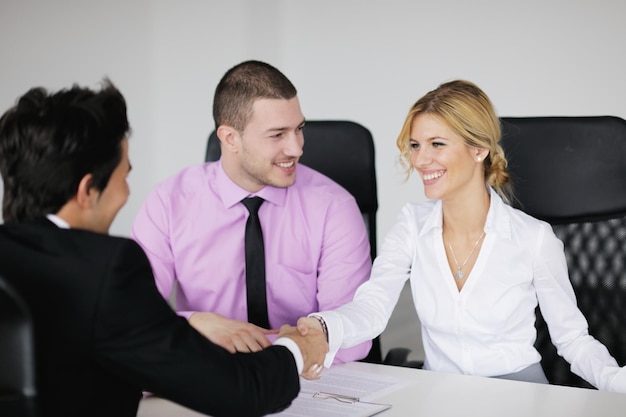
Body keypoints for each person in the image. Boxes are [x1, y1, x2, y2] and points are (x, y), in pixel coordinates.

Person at [0, 80, 328, 417]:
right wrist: (296, 348)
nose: (127, 193)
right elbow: (243, 392)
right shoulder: (106, 270)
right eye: (124, 176)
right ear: (87, 190)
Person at [298, 79, 626, 392]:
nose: (420, 160)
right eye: (415, 145)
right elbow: (372, 308)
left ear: (479, 149)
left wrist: (616, 382)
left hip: (519, 393)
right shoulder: (412, 224)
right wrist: (322, 327)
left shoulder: (534, 239)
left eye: (437, 144)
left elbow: (571, 339)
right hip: (439, 391)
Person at [131, 60, 372, 361]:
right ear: (230, 138)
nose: (297, 148)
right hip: (207, 372)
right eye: (277, 135)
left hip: (306, 379)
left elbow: (352, 337)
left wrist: (268, 349)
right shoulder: (169, 202)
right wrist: (196, 322)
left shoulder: (334, 207)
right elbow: (131, 314)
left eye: (299, 129)